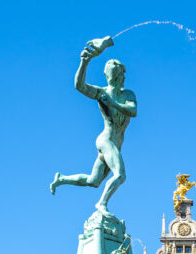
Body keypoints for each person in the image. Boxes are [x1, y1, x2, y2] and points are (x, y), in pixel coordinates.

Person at [49, 36, 137, 212]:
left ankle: (61, 178)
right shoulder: (100, 92)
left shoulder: (128, 94)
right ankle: (101, 204)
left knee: (93, 181)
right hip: (106, 141)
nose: (123, 77)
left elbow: (133, 111)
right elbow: (79, 86)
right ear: (115, 75)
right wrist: (84, 62)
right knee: (120, 175)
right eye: (121, 74)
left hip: (115, 145)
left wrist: (112, 103)